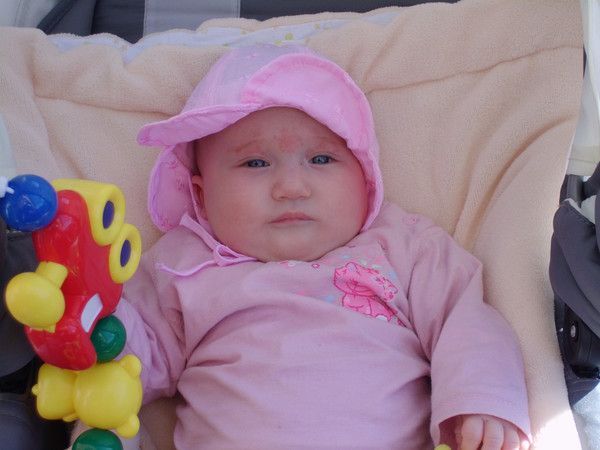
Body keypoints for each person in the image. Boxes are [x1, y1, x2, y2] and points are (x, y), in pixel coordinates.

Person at [117, 44, 531, 449]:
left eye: (321, 160)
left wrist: (480, 401)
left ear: (365, 177)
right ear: (202, 196)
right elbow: (129, 352)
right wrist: (94, 318)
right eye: (255, 163)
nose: (291, 187)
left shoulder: (402, 246)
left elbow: (464, 321)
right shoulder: (182, 263)